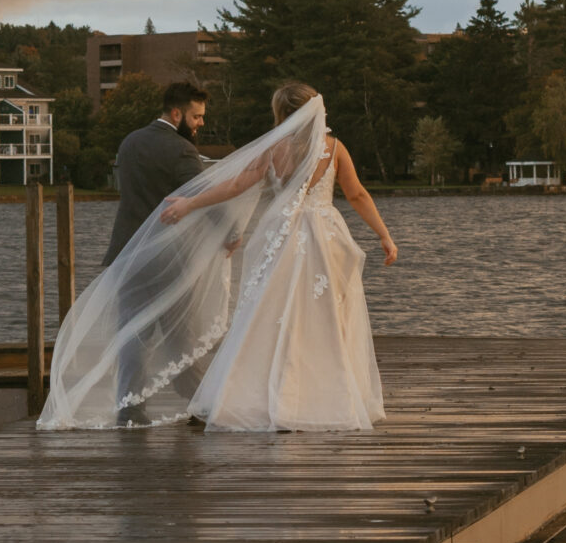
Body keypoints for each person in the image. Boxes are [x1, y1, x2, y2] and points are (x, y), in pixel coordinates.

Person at [40, 82, 398, 433]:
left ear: (282, 114)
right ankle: (320, 396)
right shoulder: (333, 148)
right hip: (321, 239)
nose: (201, 122)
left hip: (267, 239)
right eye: (196, 116)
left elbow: (235, 185)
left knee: (267, 316)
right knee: (323, 316)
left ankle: (151, 405)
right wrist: (383, 234)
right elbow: (357, 194)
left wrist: (191, 203)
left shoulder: (267, 149)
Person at [104, 80, 209, 267]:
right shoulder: (183, 149)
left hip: (122, 254)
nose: (201, 123)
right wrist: (232, 233)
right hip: (162, 258)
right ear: (176, 114)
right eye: (196, 116)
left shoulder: (129, 141)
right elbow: (204, 195)